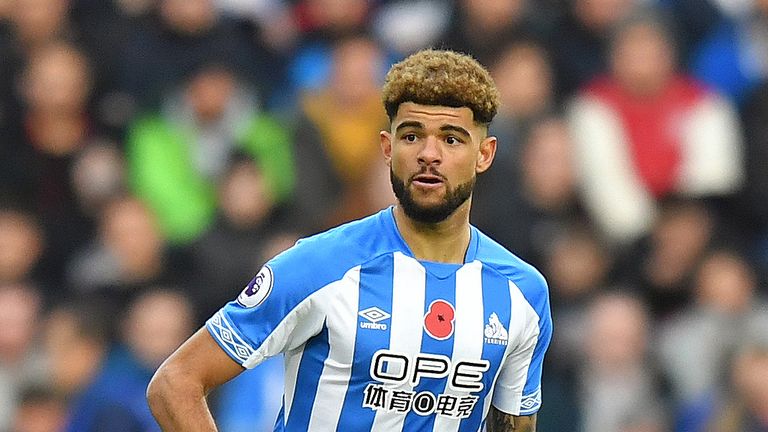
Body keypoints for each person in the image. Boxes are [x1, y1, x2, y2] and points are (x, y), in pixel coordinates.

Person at [147, 48, 553, 432]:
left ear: (484, 154)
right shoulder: (318, 266)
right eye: (412, 136)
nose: (429, 154)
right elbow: (175, 383)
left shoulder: (522, 293)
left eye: (451, 139)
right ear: (387, 147)